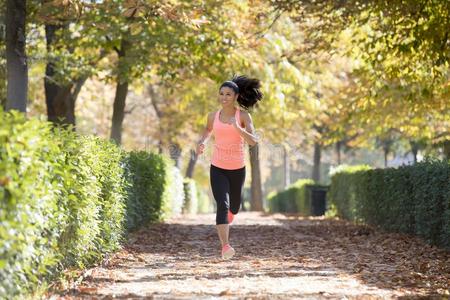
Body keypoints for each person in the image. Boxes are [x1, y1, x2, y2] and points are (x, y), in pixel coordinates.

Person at [196, 75, 262, 260]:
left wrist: (238, 128)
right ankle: (225, 246)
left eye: (228, 94)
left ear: (235, 96)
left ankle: (232, 212)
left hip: (238, 168)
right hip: (217, 167)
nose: (224, 97)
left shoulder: (243, 116)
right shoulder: (212, 116)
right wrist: (201, 142)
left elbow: (253, 140)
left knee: (234, 206)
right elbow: (208, 130)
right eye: (221, 94)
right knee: (222, 206)